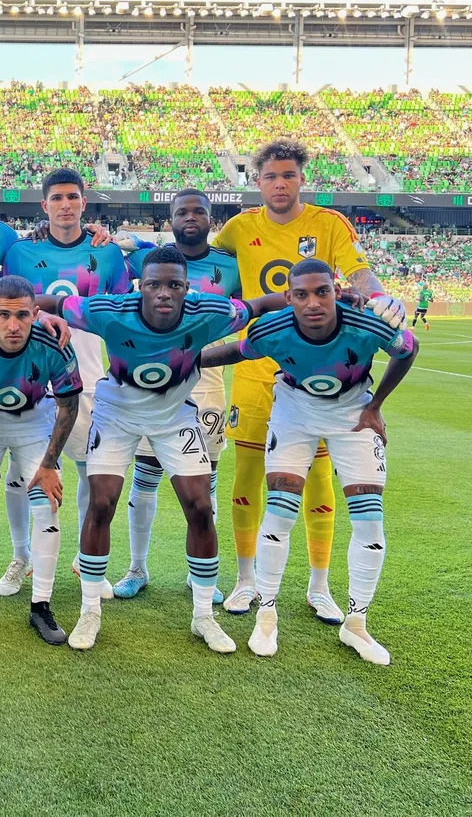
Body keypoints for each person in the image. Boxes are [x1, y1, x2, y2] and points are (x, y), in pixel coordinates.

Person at [36, 246, 288, 652]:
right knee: (101, 502)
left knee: (200, 507)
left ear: (188, 288)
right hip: (117, 415)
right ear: (141, 286)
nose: (164, 293)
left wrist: (310, 297)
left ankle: (203, 616)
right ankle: (89, 611)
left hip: (173, 417)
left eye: (174, 285)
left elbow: (259, 305)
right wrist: (26, 312)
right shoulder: (109, 310)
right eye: (154, 284)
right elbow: (50, 302)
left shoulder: (210, 311)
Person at [211, 139, 405, 623]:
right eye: (271, 177)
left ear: (301, 179)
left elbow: (359, 273)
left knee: (319, 479)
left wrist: (380, 297)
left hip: (315, 373)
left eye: (288, 175)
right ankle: (246, 580)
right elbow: (204, 264)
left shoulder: (328, 223)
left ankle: (319, 586)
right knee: (248, 476)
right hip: (256, 370)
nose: (280, 184)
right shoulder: (239, 227)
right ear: (258, 183)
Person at [202, 259, 419, 665]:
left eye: (322, 291)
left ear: (337, 292)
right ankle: (266, 615)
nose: (313, 302)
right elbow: (237, 352)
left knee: (370, 522)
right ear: (289, 298)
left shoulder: (365, 323)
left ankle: (356, 624)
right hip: (295, 410)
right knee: (280, 510)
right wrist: (184, 359)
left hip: (352, 411)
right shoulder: (271, 329)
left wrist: (376, 405)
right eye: (301, 294)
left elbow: (408, 349)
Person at [0, 167, 131, 600]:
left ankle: (83, 558)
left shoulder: (107, 254)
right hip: (29, 381)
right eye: (56, 198)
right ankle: (22, 556)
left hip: (87, 379)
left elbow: (119, 316)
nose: (65, 205)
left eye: (72, 197)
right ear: (44, 205)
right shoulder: (20, 253)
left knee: (90, 475)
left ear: (83, 203)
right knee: (22, 475)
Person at [117, 189, 241, 603]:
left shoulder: (231, 264)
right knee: (145, 476)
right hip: (151, 384)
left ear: (211, 219)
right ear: (169, 219)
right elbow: (100, 250)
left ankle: (199, 574)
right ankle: (137, 568)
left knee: (205, 484)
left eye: (199, 211)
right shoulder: (144, 258)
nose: (190, 217)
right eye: (181, 212)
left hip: (206, 383)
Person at [0, 276, 83, 645]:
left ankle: (41, 605)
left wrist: (49, 465)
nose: (13, 325)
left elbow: (69, 406)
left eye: (22, 315)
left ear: (35, 314)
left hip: (34, 422)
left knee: (46, 504)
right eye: (3, 315)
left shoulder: (54, 343)